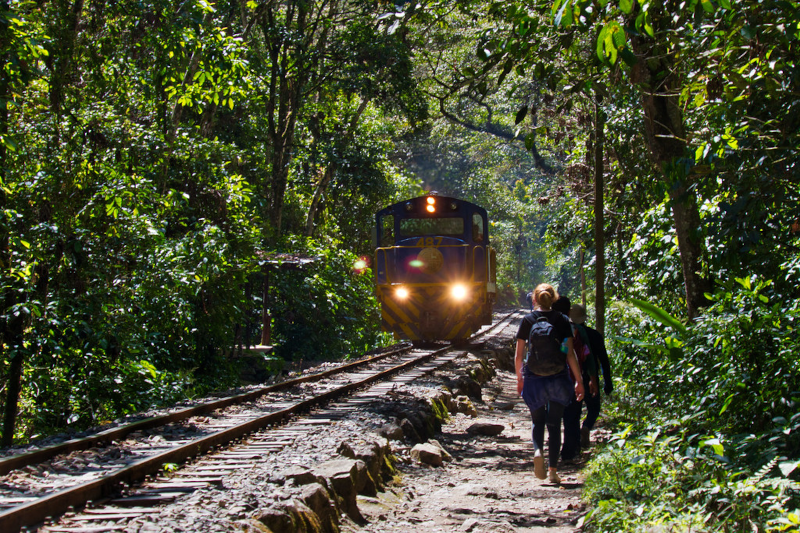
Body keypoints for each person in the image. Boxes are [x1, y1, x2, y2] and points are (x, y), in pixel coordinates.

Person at [515, 284, 585, 484]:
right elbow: (569, 354)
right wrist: (579, 381)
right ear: (554, 299)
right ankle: (553, 471)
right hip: (558, 377)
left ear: (534, 299)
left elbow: (519, 356)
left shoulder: (527, 320)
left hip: (534, 378)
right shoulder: (562, 320)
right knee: (554, 425)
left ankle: (538, 451)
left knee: (538, 421)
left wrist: (520, 379)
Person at [554, 298, 598, 463]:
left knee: (553, 418)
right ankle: (569, 452)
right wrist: (590, 379)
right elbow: (588, 357)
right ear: (568, 312)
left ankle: (552, 455)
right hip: (572, 378)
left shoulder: (548, 327)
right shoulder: (578, 331)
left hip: (552, 380)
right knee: (572, 416)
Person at [569, 303, 612, 451]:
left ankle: (573, 443)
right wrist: (607, 381)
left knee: (574, 411)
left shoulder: (567, 335)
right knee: (594, 408)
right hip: (590, 378)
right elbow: (603, 359)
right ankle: (586, 427)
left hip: (572, 377)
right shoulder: (594, 335)